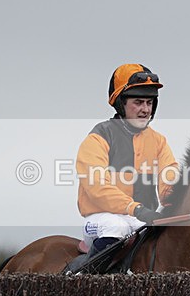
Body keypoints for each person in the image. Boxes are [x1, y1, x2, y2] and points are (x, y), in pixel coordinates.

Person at [68, 63, 179, 273]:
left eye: (149, 102)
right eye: (138, 102)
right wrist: (136, 208)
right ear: (120, 103)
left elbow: (169, 179)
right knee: (116, 227)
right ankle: (82, 282)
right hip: (100, 220)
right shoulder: (99, 137)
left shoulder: (159, 142)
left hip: (141, 219)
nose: (145, 109)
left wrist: (182, 199)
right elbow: (97, 187)